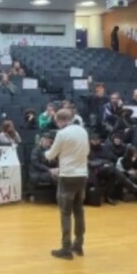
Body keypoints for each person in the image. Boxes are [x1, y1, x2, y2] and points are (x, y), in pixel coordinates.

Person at [46, 109, 89, 260]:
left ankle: (66, 248)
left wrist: (46, 151)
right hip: (82, 174)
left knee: (65, 212)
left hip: (67, 176)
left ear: (60, 120)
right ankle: (79, 244)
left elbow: (51, 154)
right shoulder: (83, 131)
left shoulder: (62, 133)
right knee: (79, 211)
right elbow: (87, 151)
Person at [88, 133, 137, 205]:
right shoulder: (88, 150)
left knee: (112, 173)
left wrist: (109, 163)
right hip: (95, 170)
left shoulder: (104, 148)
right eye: (94, 140)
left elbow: (112, 158)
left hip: (106, 168)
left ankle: (109, 196)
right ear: (90, 141)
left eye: (97, 140)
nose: (96, 142)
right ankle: (130, 185)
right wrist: (103, 162)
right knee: (112, 170)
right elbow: (90, 163)